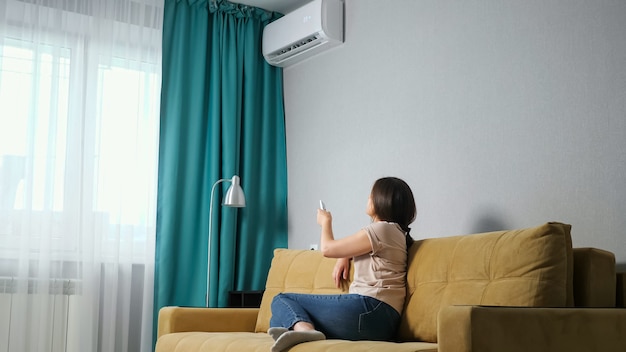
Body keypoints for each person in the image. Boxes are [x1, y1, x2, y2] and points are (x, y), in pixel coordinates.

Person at [268, 177, 417, 352]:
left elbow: (327, 249)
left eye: (371, 195)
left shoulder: (382, 229)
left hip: (370, 308)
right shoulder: (393, 233)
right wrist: (345, 257)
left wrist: (325, 222)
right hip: (381, 321)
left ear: (383, 200)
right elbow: (358, 248)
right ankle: (307, 333)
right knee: (278, 319)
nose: (368, 198)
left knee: (282, 300)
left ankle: (306, 332)